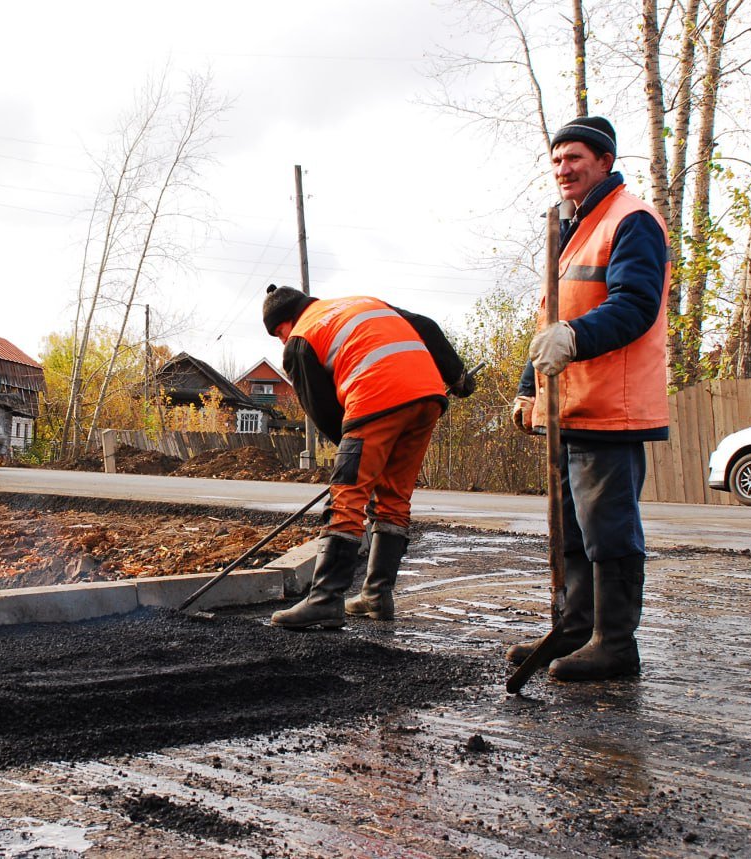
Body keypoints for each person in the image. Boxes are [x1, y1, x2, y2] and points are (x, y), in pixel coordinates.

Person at [509, 116, 670, 681]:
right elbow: (553, 318)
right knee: (571, 528)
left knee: (607, 529)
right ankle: (576, 629)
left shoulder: (632, 220)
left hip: (612, 407)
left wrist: (573, 339)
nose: (563, 169)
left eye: (575, 157)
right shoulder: (573, 227)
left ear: (604, 161)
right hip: (569, 408)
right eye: (556, 160)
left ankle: (615, 643)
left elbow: (634, 306)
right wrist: (530, 386)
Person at [262, 284, 474, 630]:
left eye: (278, 334)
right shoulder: (361, 303)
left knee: (347, 496)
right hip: (427, 397)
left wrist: (354, 458)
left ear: (284, 323)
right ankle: (377, 595)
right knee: (394, 498)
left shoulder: (302, 337)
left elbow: (323, 412)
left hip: (377, 396)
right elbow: (427, 327)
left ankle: (325, 600)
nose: (282, 341)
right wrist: (457, 376)